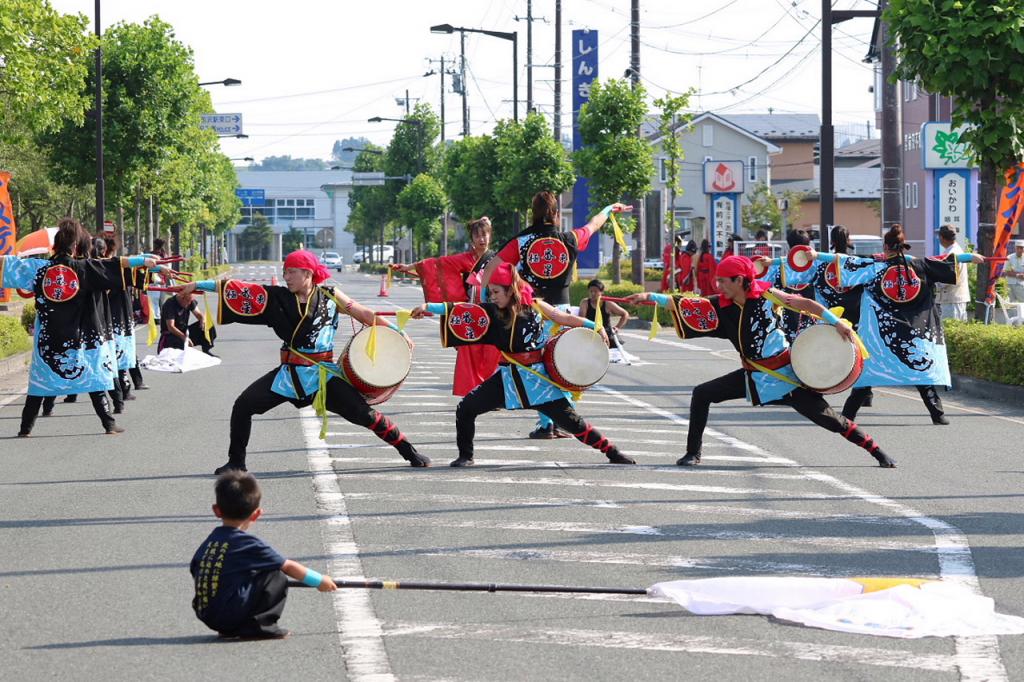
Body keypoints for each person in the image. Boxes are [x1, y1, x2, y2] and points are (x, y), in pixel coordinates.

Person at [626, 255, 896, 469]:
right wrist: (650, 298)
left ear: (741, 279)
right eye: (718, 281)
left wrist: (837, 324)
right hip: (753, 376)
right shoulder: (722, 305)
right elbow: (687, 304)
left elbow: (805, 304)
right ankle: (692, 453)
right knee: (702, 393)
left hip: (785, 377)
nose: (718, 286)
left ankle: (877, 451)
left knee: (832, 421)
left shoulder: (768, 297)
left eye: (723, 281)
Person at [176, 249, 430, 473]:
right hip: (289, 374)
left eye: (292, 272)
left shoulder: (330, 294)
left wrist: (399, 332)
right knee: (243, 405)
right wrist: (197, 284)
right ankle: (236, 462)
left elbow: (363, 313)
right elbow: (237, 289)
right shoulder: (277, 297)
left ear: (308, 274)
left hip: (323, 374)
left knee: (366, 415)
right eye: (285, 272)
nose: (286, 277)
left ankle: (409, 451)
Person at [411, 263, 635, 467]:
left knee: (575, 424)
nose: (492, 296)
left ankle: (612, 452)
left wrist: (597, 327)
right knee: (466, 408)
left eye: (497, 292)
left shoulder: (536, 306)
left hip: (538, 381)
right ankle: (466, 456)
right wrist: (428, 306)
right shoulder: (491, 311)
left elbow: (563, 317)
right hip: (508, 379)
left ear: (511, 290)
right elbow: (462, 309)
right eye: (491, 292)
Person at [479, 192, 631, 438]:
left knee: (538, 367)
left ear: (533, 214)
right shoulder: (568, 239)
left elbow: (490, 268)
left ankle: (546, 424)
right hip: (561, 312)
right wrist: (608, 209)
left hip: (532, 312)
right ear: (556, 215)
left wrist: (487, 296)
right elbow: (593, 224)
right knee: (561, 366)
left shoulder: (522, 241)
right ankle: (560, 420)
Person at [1, 218, 162, 436]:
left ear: (55, 246)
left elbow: (7, 264)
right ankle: (109, 424)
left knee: (39, 387)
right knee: (94, 382)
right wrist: (143, 260)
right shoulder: (85, 268)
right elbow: (114, 264)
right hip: (81, 341)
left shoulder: (38, 269)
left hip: (48, 341)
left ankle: (25, 429)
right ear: (76, 246)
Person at [815, 225, 986, 425]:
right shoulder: (920, 266)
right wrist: (971, 257)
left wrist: (814, 254)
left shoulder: (874, 268)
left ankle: (847, 415)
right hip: (915, 334)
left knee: (868, 374)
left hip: (882, 337)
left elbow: (843, 260)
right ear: (903, 246)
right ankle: (938, 414)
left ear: (885, 246)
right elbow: (947, 260)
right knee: (920, 373)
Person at [191, 470, 337, 639]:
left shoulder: (209, 542)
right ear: (256, 514)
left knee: (247, 573)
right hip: (230, 614)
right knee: (275, 574)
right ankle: (261, 626)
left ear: (216, 510)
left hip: (206, 614)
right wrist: (319, 580)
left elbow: (196, 569)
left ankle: (229, 627)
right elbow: (288, 566)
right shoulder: (249, 545)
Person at [391, 216, 500, 396]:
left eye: (485, 235)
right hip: (472, 315)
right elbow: (435, 264)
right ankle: (477, 394)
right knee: (469, 354)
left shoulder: (498, 259)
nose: (481, 239)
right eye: (477, 235)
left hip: (495, 313)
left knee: (493, 354)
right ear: (471, 239)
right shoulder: (464, 259)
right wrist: (408, 267)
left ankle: (492, 393)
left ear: (490, 236)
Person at [760, 229, 817, 343]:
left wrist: (771, 262)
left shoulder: (777, 267)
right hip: (812, 319)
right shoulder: (817, 266)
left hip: (785, 322)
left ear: (789, 246)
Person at [578, 279, 630, 354]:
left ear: (601, 292)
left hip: (606, 334)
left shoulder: (608, 303)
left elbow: (625, 314)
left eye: (595, 291)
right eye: (590, 291)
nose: (592, 294)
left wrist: (617, 327)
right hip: (590, 334)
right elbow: (581, 319)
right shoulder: (585, 302)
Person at [158, 288, 214, 355]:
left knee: (208, 325)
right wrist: (185, 338)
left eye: (190, 301)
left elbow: (198, 314)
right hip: (171, 335)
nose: (189, 303)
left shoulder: (189, 301)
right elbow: (171, 327)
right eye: (188, 301)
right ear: (182, 297)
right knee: (176, 342)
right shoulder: (170, 304)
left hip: (184, 331)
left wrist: (202, 319)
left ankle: (206, 349)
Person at [934, 225, 970, 321]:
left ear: (942, 237)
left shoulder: (951, 254)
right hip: (956, 298)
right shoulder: (956, 250)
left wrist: (933, 282)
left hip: (952, 299)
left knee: (949, 331)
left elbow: (947, 278)